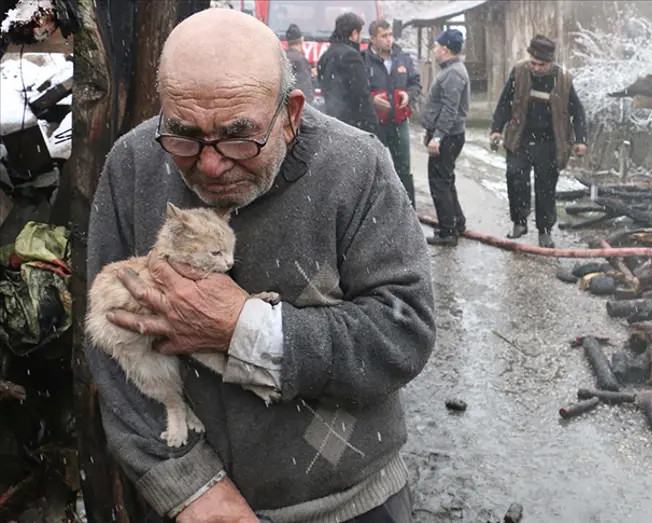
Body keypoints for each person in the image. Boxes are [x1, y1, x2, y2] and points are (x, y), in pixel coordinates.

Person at [84, 8, 435, 523]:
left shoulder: (356, 166)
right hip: (191, 509)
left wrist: (246, 330)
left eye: (237, 136)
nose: (209, 163)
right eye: (183, 135)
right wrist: (186, 487)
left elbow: (404, 332)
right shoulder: (133, 164)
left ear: (290, 113)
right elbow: (108, 348)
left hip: (352, 503)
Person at [490, 34, 587, 249]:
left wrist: (580, 139)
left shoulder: (563, 79)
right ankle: (519, 222)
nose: (536, 68)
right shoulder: (519, 72)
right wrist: (496, 129)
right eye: (533, 63)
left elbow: (577, 112)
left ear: (550, 62)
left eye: (541, 65)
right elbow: (504, 102)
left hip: (550, 141)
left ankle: (545, 231)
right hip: (521, 138)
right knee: (514, 176)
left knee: (545, 187)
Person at [419, 28, 470, 246]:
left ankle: (448, 232)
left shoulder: (453, 73)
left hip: (448, 136)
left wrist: (437, 137)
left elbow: (450, 109)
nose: (434, 49)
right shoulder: (451, 70)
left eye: (437, 46)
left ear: (445, 49)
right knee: (446, 179)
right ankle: (457, 222)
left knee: (439, 182)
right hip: (447, 134)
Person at [363, 19, 421, 209]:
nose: (389, 40)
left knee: (403, 168)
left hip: (399, 121)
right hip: (375, 124)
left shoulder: (402, 57)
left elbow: (415, 83)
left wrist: (409, 94)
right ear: (372, 38)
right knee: (373, 168)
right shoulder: (363, 59)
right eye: (384, 36)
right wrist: (371, 100)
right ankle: (376, 209)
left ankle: (407, 208)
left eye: (390, 35)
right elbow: (357, 90)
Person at [316, 12, 378, 133]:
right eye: (360, 33)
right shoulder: (352, 56)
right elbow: (361, 94)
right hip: (352, 125)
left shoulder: (326, 55)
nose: (361, 38)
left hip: (332, 122)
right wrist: (372, 123)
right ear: (354, 34)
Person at [284, 23, 316, 102]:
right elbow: (306, 87)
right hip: (298, 104)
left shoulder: (282, 57)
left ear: (288, 43)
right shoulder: (301, 60)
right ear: (301, 41)